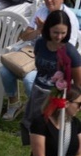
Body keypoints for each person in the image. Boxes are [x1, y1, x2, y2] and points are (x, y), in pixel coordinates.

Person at [0, 0, 79, 120]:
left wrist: (46, 33)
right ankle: (14, 104)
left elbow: (64, 46)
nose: (49, 0)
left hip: (53, 61)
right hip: (33, 52)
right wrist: (38, 31)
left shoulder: (68, 18)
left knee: (30, 79)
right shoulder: (41, 11)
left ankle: (41, 114)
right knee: (4, 71)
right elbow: (24, 36)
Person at [21, 10, 81, 147]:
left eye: (63, 33)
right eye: (55, 32)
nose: (59, 36)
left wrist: (73, 103)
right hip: (38, 90)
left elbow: (78, 82)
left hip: (55, 97)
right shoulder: (41, 44)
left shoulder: (70, 52)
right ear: (48, 29)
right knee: (31, 125)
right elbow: (38, 63)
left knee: (48, 133)